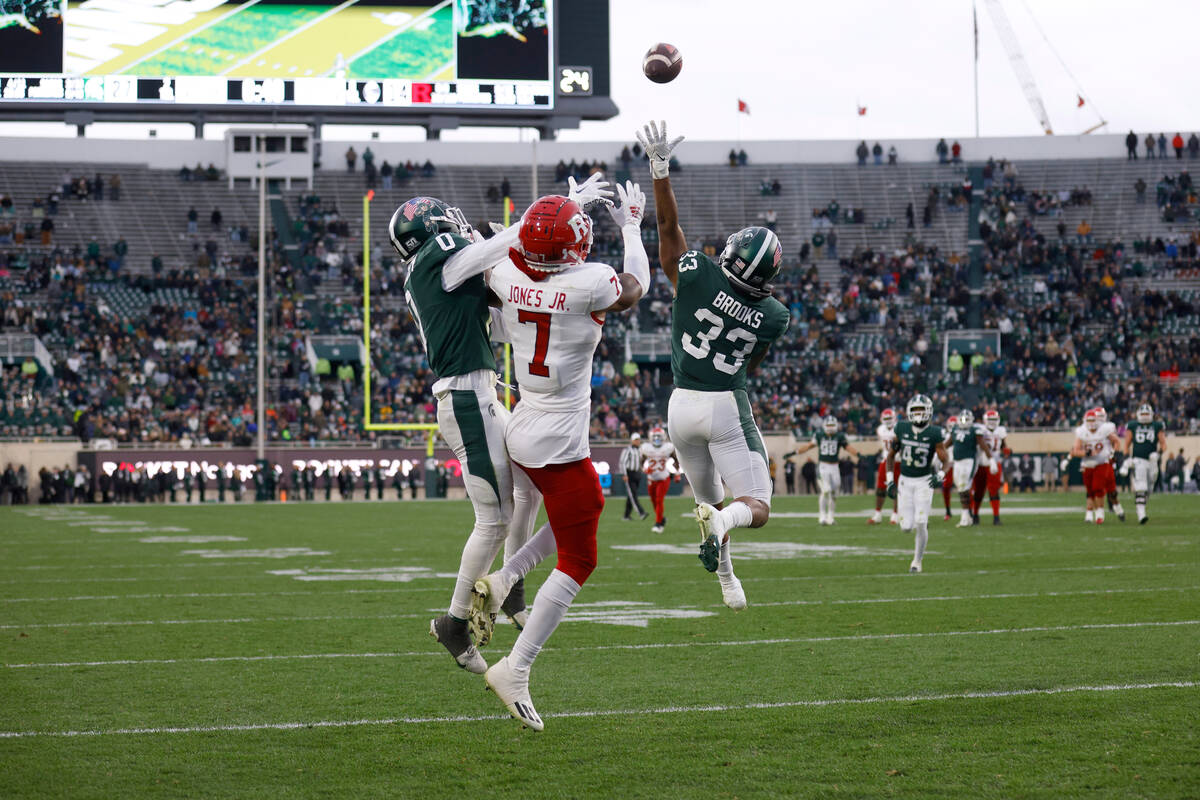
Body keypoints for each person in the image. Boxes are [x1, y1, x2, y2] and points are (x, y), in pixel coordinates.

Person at [471, 181, 649, 731]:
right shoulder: (592, 282)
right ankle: (516, 669)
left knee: (589, 506)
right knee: (582, 557)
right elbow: (637, 286)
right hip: (557, 438)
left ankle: (507, 579)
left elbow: (509, 249)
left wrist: (554, 209)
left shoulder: (504, 274)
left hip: (521, 421)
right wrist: (631, 224)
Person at [636, 120, 789, 612]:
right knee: (756, 507)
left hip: (680, 406)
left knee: (711, 504)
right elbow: (753, 361)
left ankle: (727, 581)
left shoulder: (696, 273)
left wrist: (660, 169)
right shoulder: (773, 315)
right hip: (725, 404)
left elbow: (666, 228)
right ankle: (723, 536)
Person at [390, 193, 536, 675]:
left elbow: (497, 321)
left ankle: (511, 586)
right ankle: (453, 622)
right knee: (493, 519)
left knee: (530, 483)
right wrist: (529, 225)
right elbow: (478, 256)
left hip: (483, 394)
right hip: (468, 400)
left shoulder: (439, 270)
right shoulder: (438, 259)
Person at [884, 395, 948, 574]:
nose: (919, 414)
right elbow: (890, 456)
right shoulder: (901, 428)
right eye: (915, 410)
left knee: (921, 522)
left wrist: (941, 474)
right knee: (905, 527)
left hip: (924, 481)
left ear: (929, 411)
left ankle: (917, 562)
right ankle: (915, 551)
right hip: (905, 481)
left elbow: (946, 459)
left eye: (922, 410)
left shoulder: (935, 433)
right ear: (909, 412)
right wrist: (889, 480)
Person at [792, 416, 859, 525]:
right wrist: (796, 452)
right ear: (824, 426)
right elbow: (809, 446)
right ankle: (822, 516)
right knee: (825, 490)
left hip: (835, 467)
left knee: (834, 493)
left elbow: (848, 448)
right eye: (828, 425)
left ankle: (831, 517)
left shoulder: (840, 436)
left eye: (832, 425)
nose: (830, 428)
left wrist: (858, 454)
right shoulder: (819, 435)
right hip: (823, 466)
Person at [1070, 407, 1124, 524]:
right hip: (1088, 463)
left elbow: (1117, 441)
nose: (1091, 423)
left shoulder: (1105, 429)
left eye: (1093, 420)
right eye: (1089, 420)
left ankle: (1108, 511)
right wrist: (1087, 453)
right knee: (1091, 490)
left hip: (1103, 462)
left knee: (1104, 489)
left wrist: (1113, 453)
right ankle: (1091, 514)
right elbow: (1075, 450)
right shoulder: (1082, 431)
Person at [1122, 404, 1166, 524]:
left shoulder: (1157, 425)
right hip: (1138, 460)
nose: (1145, 417)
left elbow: (1163, 444)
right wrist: (1126, 458)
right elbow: (1126, 444)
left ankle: (1140, 505)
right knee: (1141, 486)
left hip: (1152, 461)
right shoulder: (1133, 425)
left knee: (1150, 486)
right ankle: (1141, 514)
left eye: (1147, 414)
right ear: (1138, 415)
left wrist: (1159, 453)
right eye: (1143, 414)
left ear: (1151, 414)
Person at [948, 410, 993, 527]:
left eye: (966, 419)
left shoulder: (975, 430)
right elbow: (947, 443)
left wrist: (991, 459)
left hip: (969, 462)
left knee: (964, 486)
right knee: (960, 488)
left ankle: (965, 516)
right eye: (962, 419)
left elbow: (983, 445)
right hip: (957, 462)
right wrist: (936, 454)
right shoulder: (955, 429)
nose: (964, 422)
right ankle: (968, 516)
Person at [971, 409, 1008, 525]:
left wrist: (1006, 450)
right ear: (985, 420)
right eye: (990, 419)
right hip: (981, 463)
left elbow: (1003, 446)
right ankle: (975, 515)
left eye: (994, 420)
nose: (992, 422)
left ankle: (996, 517)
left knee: (994, 491)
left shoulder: (1001, 430)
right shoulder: (979, 429)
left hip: (995, 463)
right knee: (978, 492)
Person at [641, 426, 676, 533]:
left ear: (663, 437)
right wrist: (644, 469)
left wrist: (677, 473)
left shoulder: (668, 447)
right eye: (655, 436)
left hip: (663, 477)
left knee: (659, 500)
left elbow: (676, 460)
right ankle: (661, 518)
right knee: (654, 501)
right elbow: (641, 461)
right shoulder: (646, 447)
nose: (657, 438)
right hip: (651, 479)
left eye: (659, 436)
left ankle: (658, 524)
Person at [868, 408, 900, 524]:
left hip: (898, 460)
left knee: (897, 488)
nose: (887, 421)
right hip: (885, 460)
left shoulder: (899, 428)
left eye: (889, 418)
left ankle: (896, 514)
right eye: (885, 418)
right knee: (881, 488)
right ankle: (878, 514)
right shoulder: (880, 429)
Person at [619, 433, 649, 521]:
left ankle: (626, 516)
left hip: (637, 474)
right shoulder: (627, 450)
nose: (638, 441)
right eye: (636, 440)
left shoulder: (640, 450)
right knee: (633, 495)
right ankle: (641, 513)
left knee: (631, 495)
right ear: (632, 441)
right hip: (630, 474)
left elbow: (641, 461)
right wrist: (624, 474)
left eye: (638, 440)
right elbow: (623, 462)